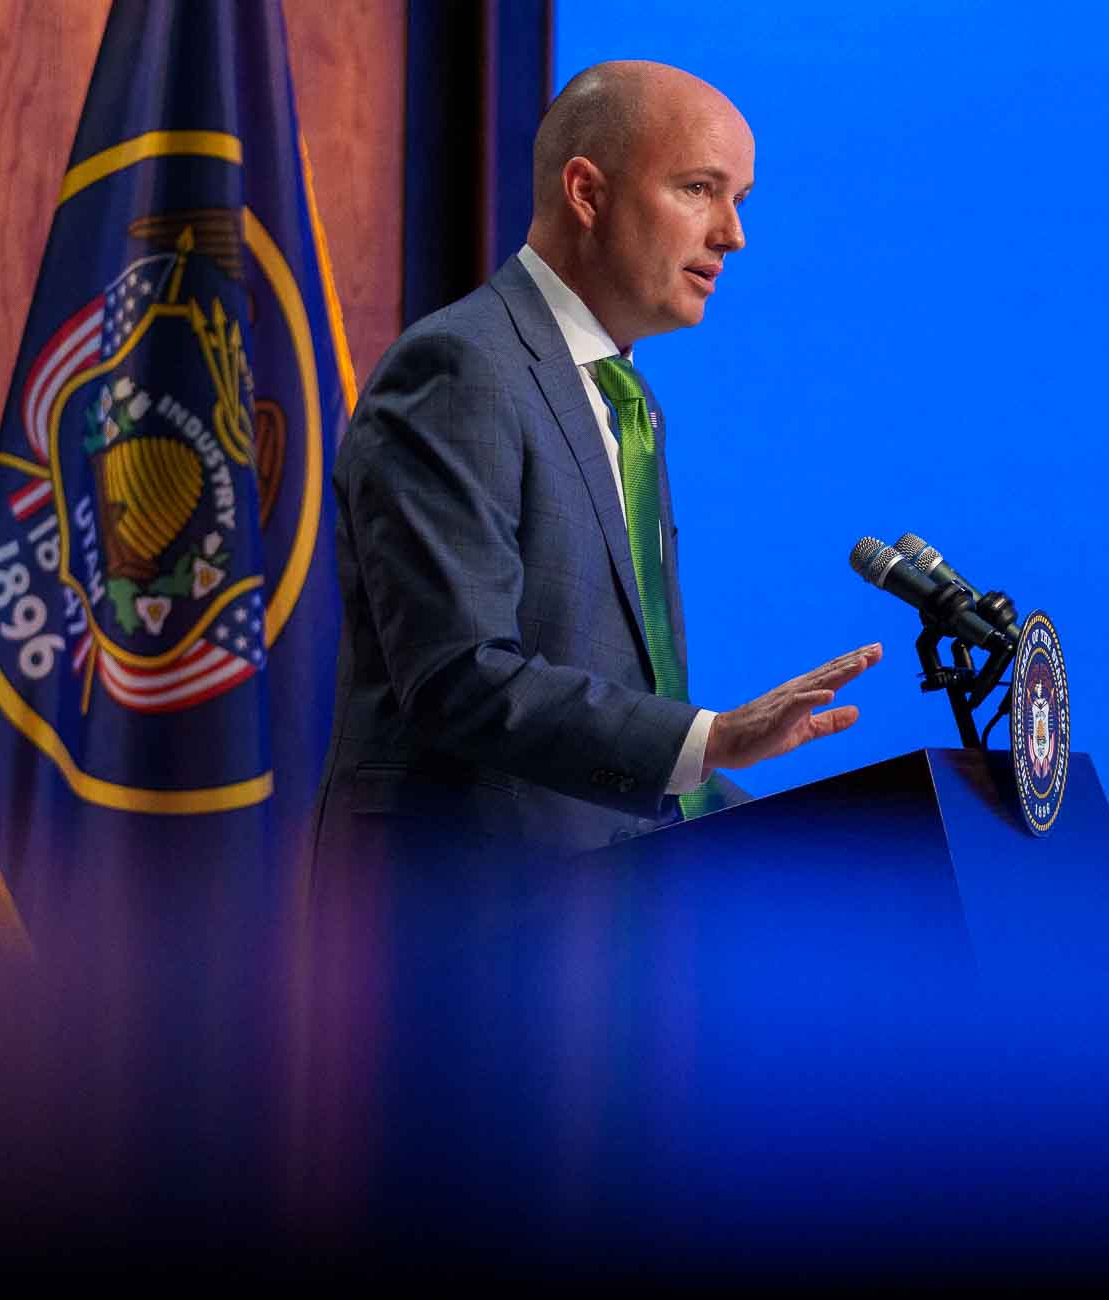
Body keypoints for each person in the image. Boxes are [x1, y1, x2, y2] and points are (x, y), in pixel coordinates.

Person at [310, 61, 881, 881]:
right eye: (698, 189)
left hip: (599, 926)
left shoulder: (628, 400)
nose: (732, 234)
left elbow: (614, 711)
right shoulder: (460, 368)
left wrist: (800, 846)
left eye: (740, 199)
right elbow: (457, 676)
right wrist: (708, 740)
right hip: (456, 929)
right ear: (587, 192)